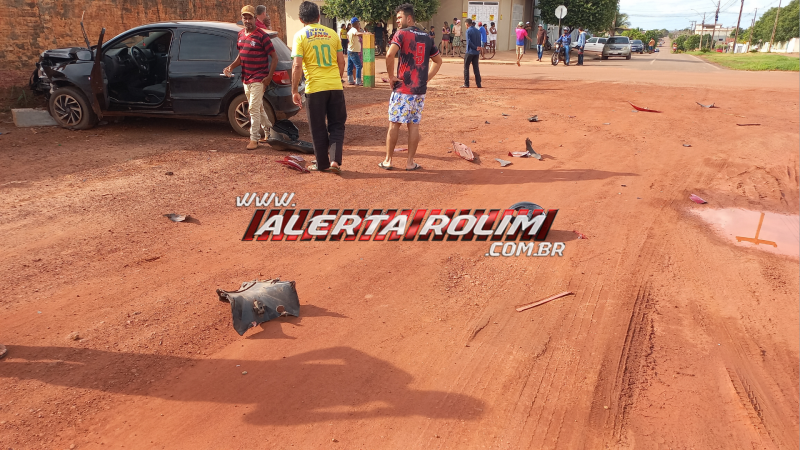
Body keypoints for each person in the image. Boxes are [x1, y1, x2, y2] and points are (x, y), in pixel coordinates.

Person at [380, 3, 443, 171]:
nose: (398, 21)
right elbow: (438, 61)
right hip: (419, 91)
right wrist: (425, 79)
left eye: (400, 17)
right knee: (414, 125)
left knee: (394, 124)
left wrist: (391, 77)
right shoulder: (427, 37)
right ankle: (410, 162)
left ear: (409, 18)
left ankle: (388, 160)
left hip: (402, 89)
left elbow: (389, 54)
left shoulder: (401, 34)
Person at [291, 1, 346, 173]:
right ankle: (335, 161)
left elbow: (297, 66)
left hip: (315, 88)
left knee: (318, 126)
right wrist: (336, 79)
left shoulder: (300, 36)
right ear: (319, 16)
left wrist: (294, 90)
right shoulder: (332, 34)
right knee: (337, 124)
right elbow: (341, 61)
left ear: (301, 19)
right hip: (335, 86)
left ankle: (322, 163)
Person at [224, 5, 278, 150]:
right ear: (242, 19)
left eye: (250, 18)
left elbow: (274, 57)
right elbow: (241, 56)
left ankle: (254, 139)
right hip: (246, 78)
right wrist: (231, 67)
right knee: (258, 108)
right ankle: (269, 132)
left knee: (252, 109)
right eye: (245, 18)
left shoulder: (262, 36)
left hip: (259, 79)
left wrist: (268, 77)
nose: (247, 20)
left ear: (255, 18)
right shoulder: (241, 35)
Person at [461, 18, 482, 88]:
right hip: (476, 53)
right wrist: (478, 48)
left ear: (467, 24)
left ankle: (466, 83)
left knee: (466, 67)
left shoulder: (468, 31)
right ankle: (478, 84)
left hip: (470, 51)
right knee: (476, 68)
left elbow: (469, 42)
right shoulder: (477, 31)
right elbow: (479, 41)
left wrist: (475, 47)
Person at [347, 17, 364, 85]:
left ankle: (350, 80)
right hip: (353, 51)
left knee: (350, 66)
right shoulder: (353, 29)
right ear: (356, 24)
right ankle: (358, 81)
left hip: (350, 50)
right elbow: (357, 34)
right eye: (358, 24)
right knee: (358, 65)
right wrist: (365, 34)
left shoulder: (350, 30)